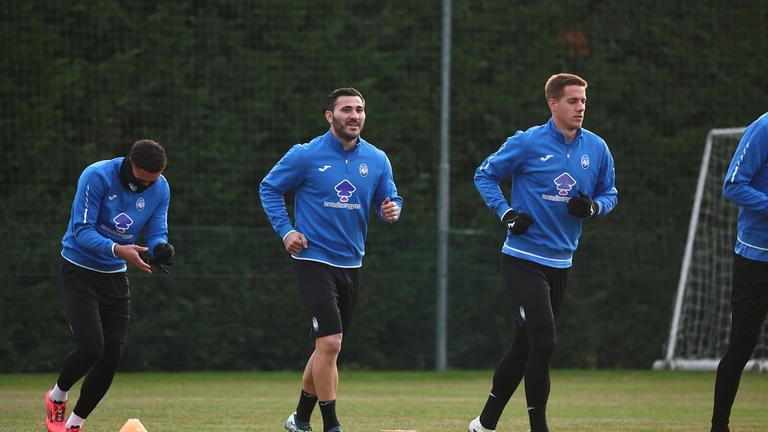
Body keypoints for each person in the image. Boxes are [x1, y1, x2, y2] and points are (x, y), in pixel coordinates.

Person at [470, 73, 618, 432]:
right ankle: (539, 427)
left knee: (525, 346)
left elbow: (610, 193)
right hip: (522, 260)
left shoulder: (596, 148)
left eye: (583, 100)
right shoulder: (527, 143)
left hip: (561, 263)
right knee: (545, 341)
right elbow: (484, 175)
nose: (580, 107)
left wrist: (594, 208)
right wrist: (506, 213)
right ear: (553, 103)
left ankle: (484, 423)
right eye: (572, 101)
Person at [260, 87, 403, 432]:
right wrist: (286, 231)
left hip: (352, 264)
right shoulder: (305, 155)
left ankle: (299, 420)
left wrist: (391, 210)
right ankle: (331, 426)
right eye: (346, 110)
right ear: (330, 116)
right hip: (313, 259)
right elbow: (270, 188)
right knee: (330, 342)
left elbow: (391, 199)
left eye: (359, 110)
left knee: (327, 350)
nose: (354, 116)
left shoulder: (377, 159)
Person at [45, 139, 175, 432]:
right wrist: (119, 250)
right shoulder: (97, 175)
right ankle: (57, 396)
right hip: (78, 270)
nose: (144, 188)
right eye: (141, 181)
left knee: (112, 355)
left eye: (150, 183)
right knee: (92, 347)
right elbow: (81, 230)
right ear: (129, 163)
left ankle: (74, 425)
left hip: (114, 276)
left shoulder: (161, 186)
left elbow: (156, 230)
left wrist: (160, 249)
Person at [711, 112, 768, 432]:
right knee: (742, 345)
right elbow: (733, 185)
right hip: (757, 258)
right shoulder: (764, 128)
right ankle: (719, 425)